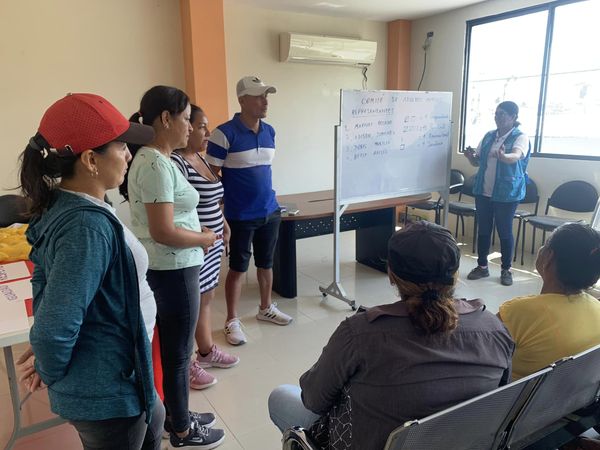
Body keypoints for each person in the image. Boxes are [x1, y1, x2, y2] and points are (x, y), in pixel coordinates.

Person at [268, 221, 514, 450]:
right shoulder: (495, 330)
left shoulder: (360, 333)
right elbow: (500, 398)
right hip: (459, 442)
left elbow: (313, 399)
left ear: (391, 274)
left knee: (280, 396)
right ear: (455, 274)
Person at [16, 93, 164, 449]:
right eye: (121, 147)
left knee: (154, 421)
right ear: (90, 160)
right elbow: (54, 330)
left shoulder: (71, 204)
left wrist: (47, 351)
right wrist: (49, 365)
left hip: (119, 374)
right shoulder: (85, 227)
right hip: (108, 391)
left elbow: (44, 277)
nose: (129, 155)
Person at [121, 86, 225, 448]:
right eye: (186, 119)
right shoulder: (153, 163)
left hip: (175, 267)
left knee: (175, 352)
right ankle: (181, 430)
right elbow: (163, 231)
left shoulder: (161, 160)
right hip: (173, 270)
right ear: (166, 119)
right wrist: (204, 238)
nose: (190, 127)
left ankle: (177, 416)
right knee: (179, 354)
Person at [206, 76, 292, 346]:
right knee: (238, 268)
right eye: (258, 96)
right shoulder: (223, 134)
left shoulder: (270, 132)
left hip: (269, 210)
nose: (265, 101)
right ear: (242, 100)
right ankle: (231, 320)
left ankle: (265, 308)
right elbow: (210, 177)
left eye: (266, 96)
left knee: (266, 263)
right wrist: (220, 213)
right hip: (240, 215)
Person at [171, 104, 240, 390]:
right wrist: (201, 236)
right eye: (201, 126)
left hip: (212, 242)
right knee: (189, 305)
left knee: (206, 296)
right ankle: (186, 364)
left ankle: (206, 350)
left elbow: (211, 199)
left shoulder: (200, 156)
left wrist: (223, 224)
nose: (207, 133)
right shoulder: (176, 163)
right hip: (194, 245)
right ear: (186, 128)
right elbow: (177, 208)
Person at [498, 222, 600, 380]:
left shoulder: (518, 312)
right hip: (568, 393)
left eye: (545, 244)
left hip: (514, 394)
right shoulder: (597, 308)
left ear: (548, 256)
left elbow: (480, 354)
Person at [464, 100, 531, 286]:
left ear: (513, 117)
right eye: (496, 113)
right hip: (483, 191)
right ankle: (482, 266)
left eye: (502, 114)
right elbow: (477, 162)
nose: (497, 117)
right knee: (484, 230)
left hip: (506, 194)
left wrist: (504, 156)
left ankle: (506, 269)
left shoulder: (520, 137)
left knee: (504, 231)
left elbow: (516, 156)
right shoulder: (489, 136)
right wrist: (470, 157)